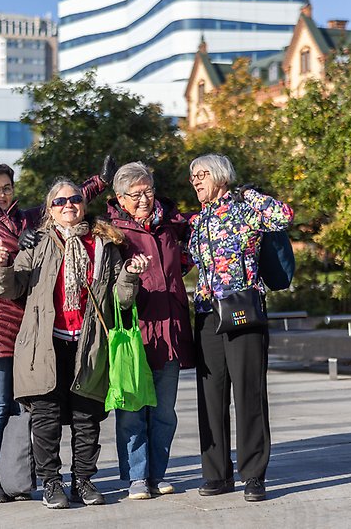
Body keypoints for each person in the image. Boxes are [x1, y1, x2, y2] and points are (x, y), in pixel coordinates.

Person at [0, 138, 115, 503]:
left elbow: (65, 202)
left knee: (32, 408)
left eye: (6, 188)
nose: (0, 195)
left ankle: (19, 473)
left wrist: (99, 181)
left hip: (30, 327)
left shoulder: (28, 220)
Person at [0, 178, 149, 509]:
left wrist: (131, 275)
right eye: (60, 202)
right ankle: (51, 483)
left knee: (85, 417)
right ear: (50, 209)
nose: (68, 205)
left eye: (75, 199)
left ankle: (83, 481)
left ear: (84, 204)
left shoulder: (105, 245)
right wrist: (0, 265)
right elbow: (10, 289)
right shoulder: (37, 244)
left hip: (89, 345)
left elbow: (121, 300)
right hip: (44, 346)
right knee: (46, 420)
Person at [187, 154, 294, 503]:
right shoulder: (197, 220)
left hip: (244, 310)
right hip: (206, 313)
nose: (196, 181)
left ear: (220, 175)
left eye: (201, 174)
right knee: (211, 397)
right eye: (193, 177)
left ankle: (253, 475)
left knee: (248, 394)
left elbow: (283, 216)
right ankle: (216, 473)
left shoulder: (245, 208)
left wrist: (250, 195)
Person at [106, 162, 194, 500]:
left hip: (170, 332)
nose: (144, 199)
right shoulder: (112, 233)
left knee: (164, 414)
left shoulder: (171, 225)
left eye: (149, 191)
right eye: (136, 194)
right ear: (120, 198)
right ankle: (137, 478)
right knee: (131, 414)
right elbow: (109, 287)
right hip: (135, 334)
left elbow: (183, 264)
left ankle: (157, 474)